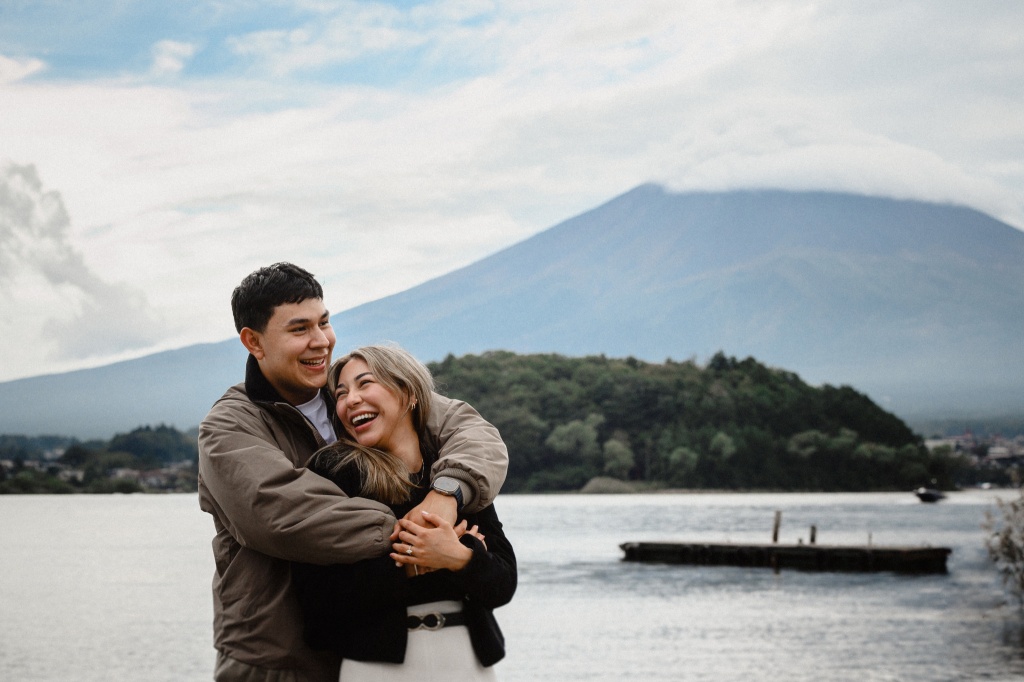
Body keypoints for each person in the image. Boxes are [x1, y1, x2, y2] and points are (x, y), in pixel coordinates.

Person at [198, 263, 508, 682]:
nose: (320, 340)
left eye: (324, 323)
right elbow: (282, 516)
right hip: (277, 659)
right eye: (299, 329)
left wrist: (446, 494)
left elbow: (474, 433)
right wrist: (427, 542)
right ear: (253, 341)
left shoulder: (357, 394)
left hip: (369, 652)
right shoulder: (229, 427)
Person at [293, 345, 516, 681]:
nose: (351, 400)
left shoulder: (454, 474)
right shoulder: (334, 472)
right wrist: (418, 562)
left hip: (468, 662)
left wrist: (457, 556)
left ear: (409, 393)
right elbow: (318, 601)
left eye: (365, 383)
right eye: (341, 393)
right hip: (376, 668)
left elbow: (503, 584)